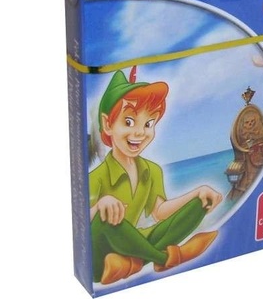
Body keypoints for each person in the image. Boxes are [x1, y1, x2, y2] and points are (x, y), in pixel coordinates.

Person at [90, 67, 223, 284]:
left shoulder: (152, 170)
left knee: (200, 203)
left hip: (133, 245)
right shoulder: (97, 176)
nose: (139, 132)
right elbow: (83, 225)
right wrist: (99, 206)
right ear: (108, 124)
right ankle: (167, 258)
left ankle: (128, 264)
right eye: (129, 122)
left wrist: (197, 193)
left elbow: (160, 212)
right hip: (100, 258)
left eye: (148, 124)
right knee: (105, 220)